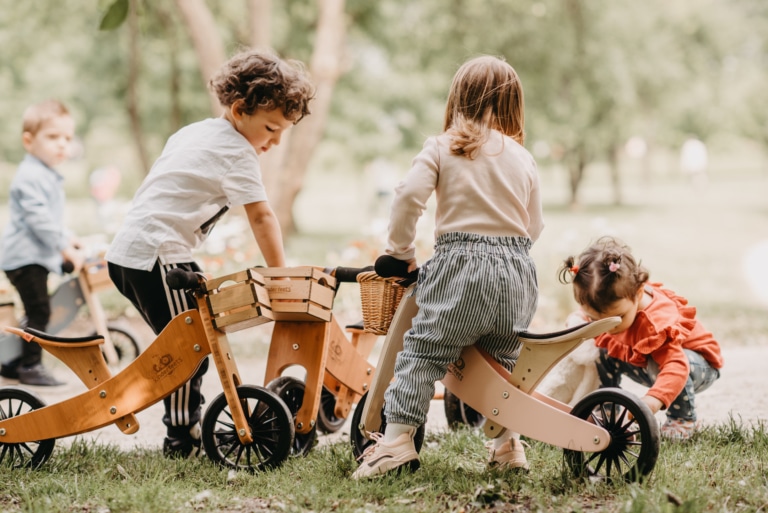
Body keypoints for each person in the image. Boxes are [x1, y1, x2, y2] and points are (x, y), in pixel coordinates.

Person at [105, 49, 314, 458]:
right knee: (189, 349)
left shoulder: (194, 132)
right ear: (239, 110)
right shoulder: (236, 152)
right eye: (271, 128)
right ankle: (180, 438)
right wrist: (281, 275)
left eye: (283, 132)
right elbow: (261, 217)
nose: (274, 141)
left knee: (190, 337)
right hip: (156, 256)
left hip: (138, 252)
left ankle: (184, 426)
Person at [352, 55, 544, 479]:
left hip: (462, 270)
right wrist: (506, 252)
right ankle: (507, 445)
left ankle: (397, 440)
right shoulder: (522, 156)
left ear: (458, 99)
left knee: (423, 351)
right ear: (514, 105)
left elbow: (407, 197)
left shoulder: (442, 146)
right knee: (500, 364)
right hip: (517, 272)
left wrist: (400, 251)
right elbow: (535, 225)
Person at [558, 236, 723, 441]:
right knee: (601, 350)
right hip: (652, 363)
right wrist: (581, 321)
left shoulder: (655, 325)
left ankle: (682, 419)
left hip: (696, 365)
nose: (610, 327)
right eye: (595, 318)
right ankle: (607, 410)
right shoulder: (612, 301)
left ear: (638, 292)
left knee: (659, 360)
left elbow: (676, 366)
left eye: (617, 318)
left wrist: (652, 401)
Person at [0, 99, 84, 386]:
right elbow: (39, 220)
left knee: (35, 310)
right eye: (52, 137)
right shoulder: (30, 176)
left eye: (67, 138)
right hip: (24, 259)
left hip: (31, 258)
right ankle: (31, 367)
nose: (62, 144)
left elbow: (51, 220)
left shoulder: (44, 174)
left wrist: (70, 238)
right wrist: (64, 247)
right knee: (39, 311)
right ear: (28, 140)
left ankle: (13, 361)